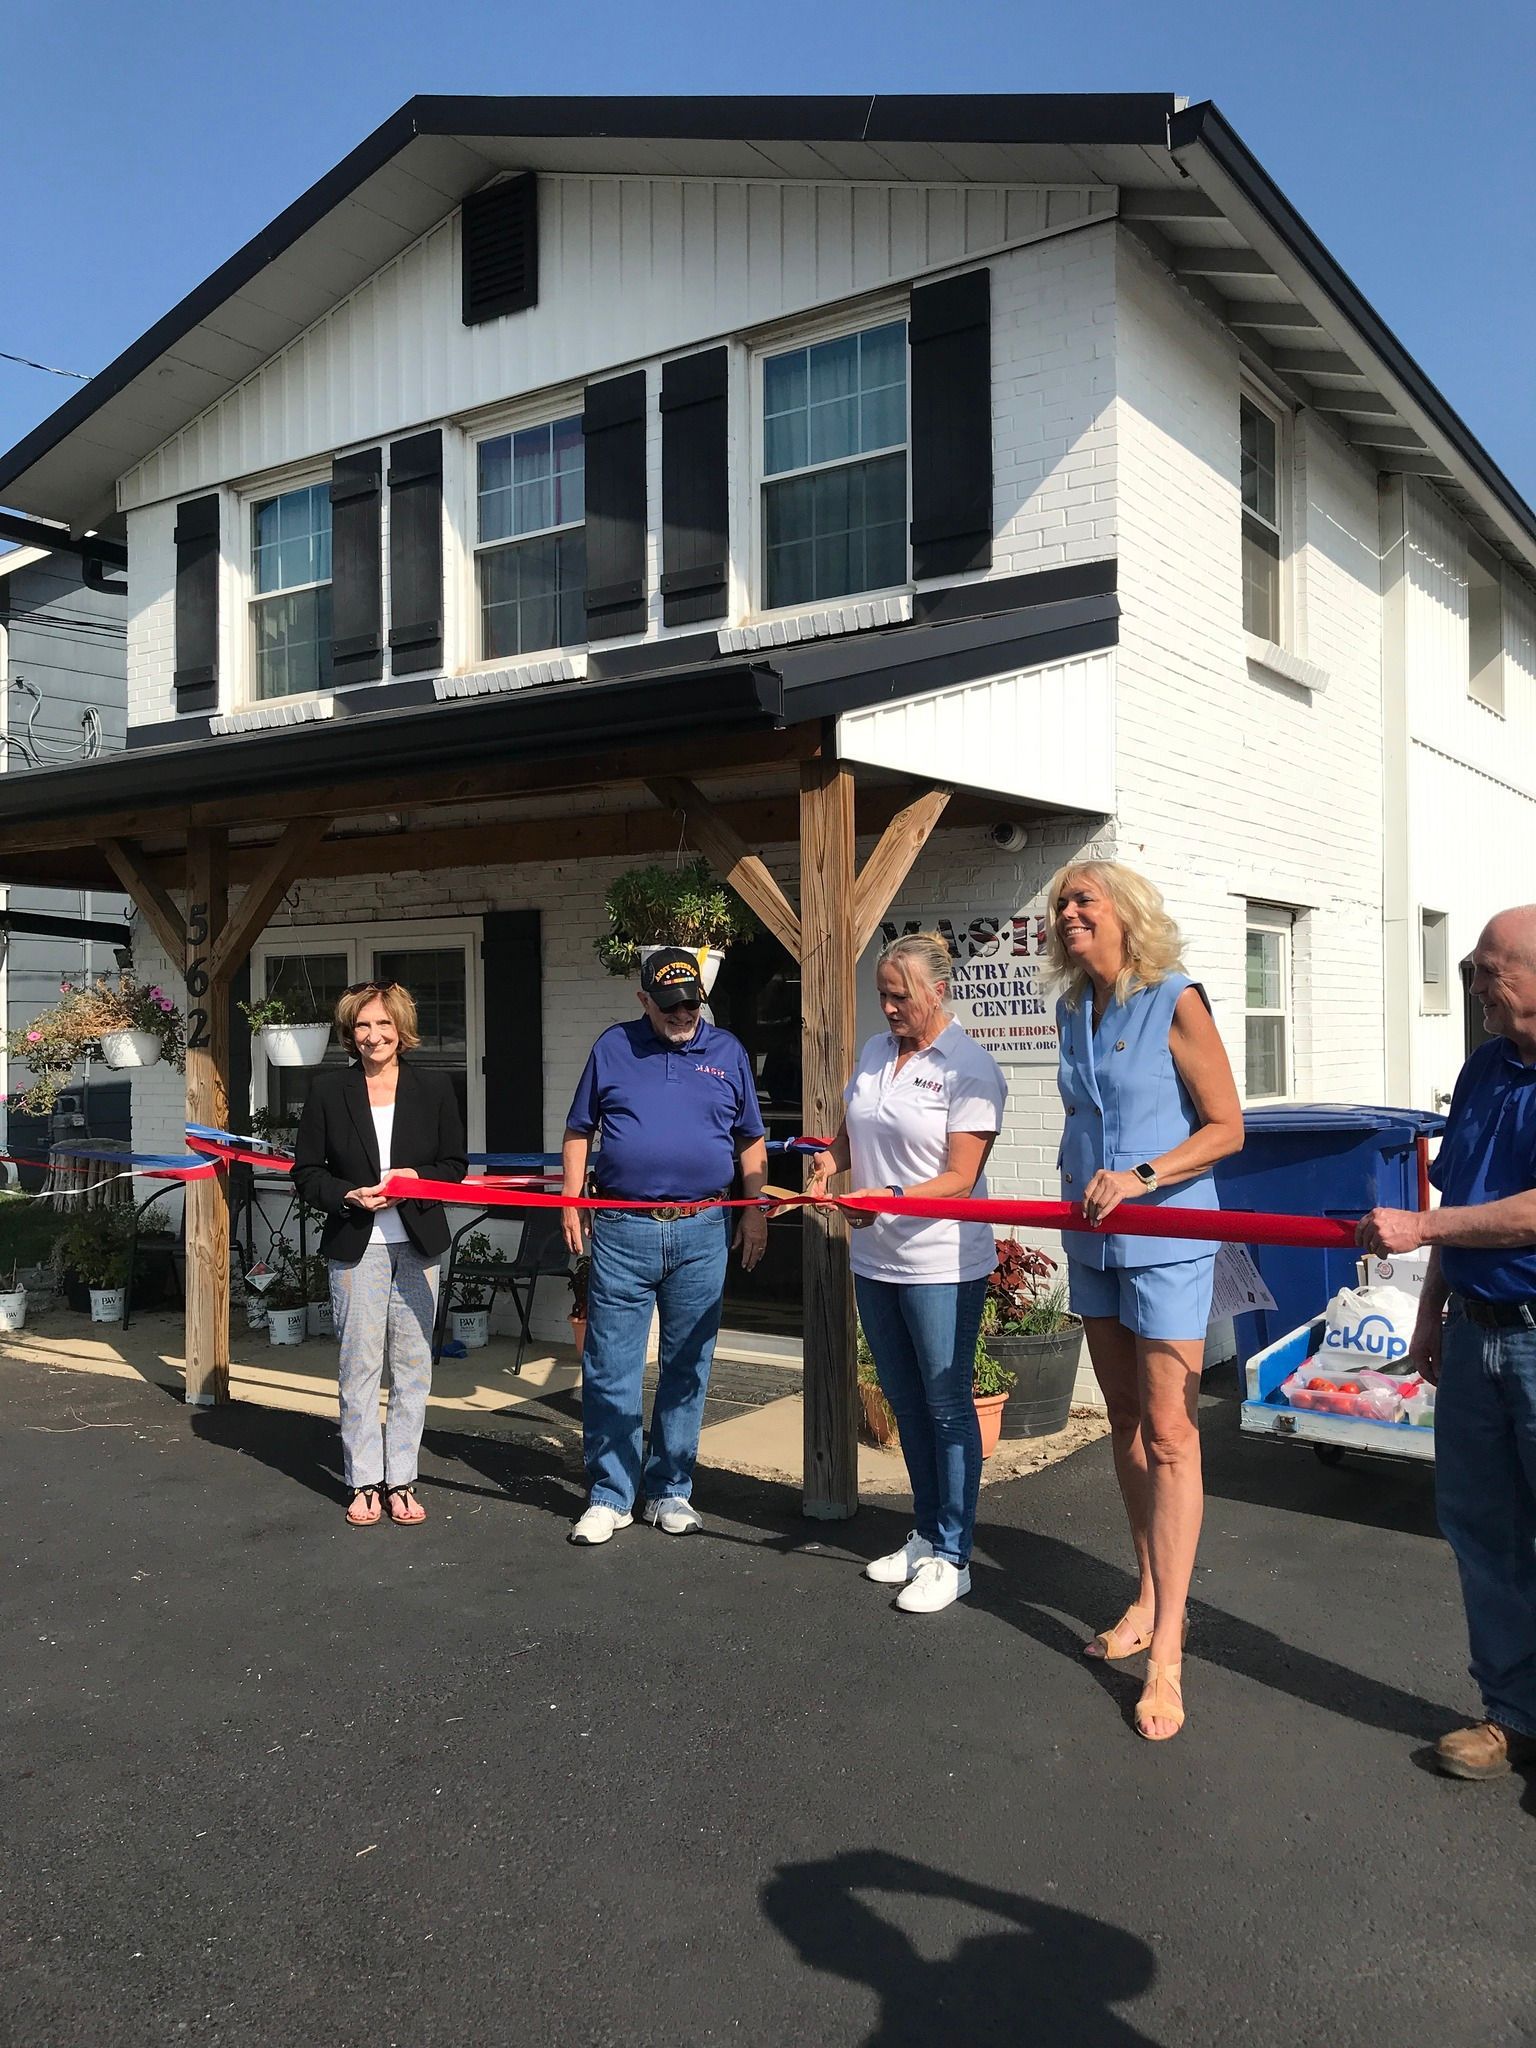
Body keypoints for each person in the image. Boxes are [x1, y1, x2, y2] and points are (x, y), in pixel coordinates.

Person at [1048, 862, 1243, 1740]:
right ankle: (1147, 1594)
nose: (1068, 913)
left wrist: (1143, 1175)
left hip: (1165, 1237)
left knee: (1170, 1433)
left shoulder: (1175, 997)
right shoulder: (1070, 1010)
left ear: (1125, 912)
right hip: (1091, 1240)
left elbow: (1226, 1126)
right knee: (1122, 1419)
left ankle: (1168, 1651)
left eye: (1083, 900)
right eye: (1060, 904)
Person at [1358, 905, 1536, 1782]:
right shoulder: (1482, 1071)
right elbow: (1465, 1199)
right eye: (1471, 969)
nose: (1474, 987)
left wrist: (1423, 1225)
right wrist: (1431, 1314)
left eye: (1490, 971)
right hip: (1475, 1334)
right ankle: (1512, 1716)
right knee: (1481, 1530)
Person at [805, 933, 1007, 1615]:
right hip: (876, 1258)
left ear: (938, 992)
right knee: (906, 1401)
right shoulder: (873, 1053)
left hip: (940, 1263)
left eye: (902, 996)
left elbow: (960, 1176)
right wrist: (832, 1161)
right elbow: (853, 1128)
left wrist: (884, 1201)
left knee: (948, 1405)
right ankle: (926, 1535)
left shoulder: (969, 1067)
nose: (889, 1007)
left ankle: (955, 1555)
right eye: (883, 994)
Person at [561, 947, 769, 1545]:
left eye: (691, 1004)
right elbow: (580, 1130)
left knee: (687, 1366)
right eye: (670, 1005)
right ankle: (610, 1494)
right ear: (643, 1000)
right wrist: (573, 1200)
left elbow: (750, 1140)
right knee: (610, 1366)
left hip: (703, 1227)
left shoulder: (726, 1051)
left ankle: (671, 1489)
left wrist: (753, 1214)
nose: (683, 1016)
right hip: (624, 1227)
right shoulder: (612, 1047)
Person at [293, 981, 467, 1528]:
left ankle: (402, 1479)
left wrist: (419, 1179)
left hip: (418, 1244)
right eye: (363, 1026)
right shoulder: (327, 1091)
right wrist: (346, 1193)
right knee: (360, 1366)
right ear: (350, 1033)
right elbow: (306, 1173)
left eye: (384, 1024)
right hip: (356, 1244)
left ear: (401, 1028)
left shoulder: (435, 1088)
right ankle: (364, 1480)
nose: (373, 1036)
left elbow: (455, 1167)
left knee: (413, 1368)